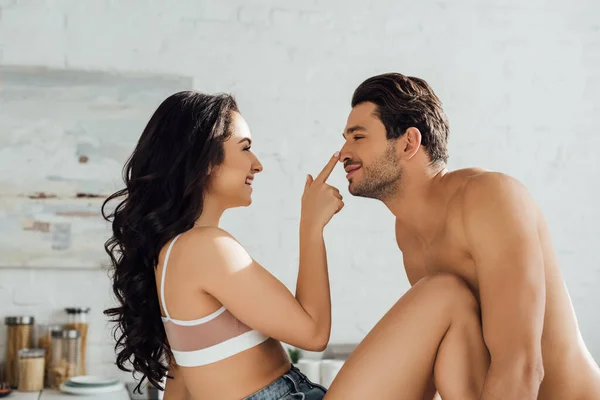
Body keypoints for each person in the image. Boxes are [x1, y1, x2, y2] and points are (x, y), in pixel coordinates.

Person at [321, 73, 600, 399]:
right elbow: (459, 357)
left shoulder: (489, 198)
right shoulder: (408, 233)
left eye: (358, 137)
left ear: (409, 142)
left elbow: (521, 366)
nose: (343, 153)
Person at [101, 91, 345, 399]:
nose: (257, 165)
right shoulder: (207, 247)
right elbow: (314, 333)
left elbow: (181, 377)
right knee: (424, 306)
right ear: (204, 161)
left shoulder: (171, 253)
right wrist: (311, 225)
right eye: (245, 148)